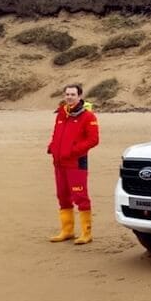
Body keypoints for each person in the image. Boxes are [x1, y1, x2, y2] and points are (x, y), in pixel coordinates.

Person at [47, 84, 99, 244]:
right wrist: (52, 147)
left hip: (76, 162)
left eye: (73, 94)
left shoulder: (88, 117)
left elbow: (93, 140)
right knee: (62, 196)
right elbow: (56, 133)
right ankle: (67, 230)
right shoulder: (62, 113)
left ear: (79, 96)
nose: (69, 97)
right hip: (59, 162)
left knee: (80, 196)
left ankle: (86, 233)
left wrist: (73, 150)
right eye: (67, 94)